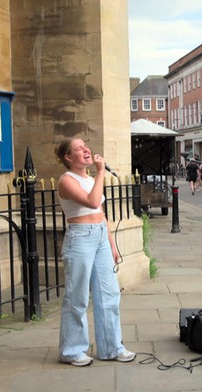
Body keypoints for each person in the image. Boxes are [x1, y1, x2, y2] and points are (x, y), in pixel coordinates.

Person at [54, 137, 136, 367]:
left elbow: (100, 212)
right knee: (77, 296)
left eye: (85, 146)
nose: (86, 150)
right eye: (79, 149)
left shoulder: (90, 178)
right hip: (80, 237)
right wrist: (101, 172)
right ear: (69, 158)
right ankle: (72, 351)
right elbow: (91, 202)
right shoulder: (66, 180)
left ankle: (112, 347)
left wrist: (110, 243)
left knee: (109, 293)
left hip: (99, 235)